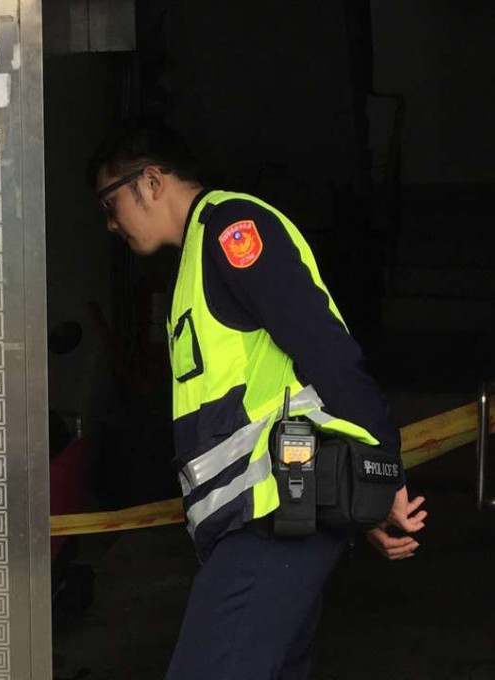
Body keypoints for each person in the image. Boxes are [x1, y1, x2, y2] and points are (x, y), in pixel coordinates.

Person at [87, 122, 428, 679]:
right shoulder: (197, 258)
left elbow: (325, 350)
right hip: (276, 515)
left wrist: (380, 469)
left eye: (110, 202)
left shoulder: (231, 229)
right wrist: (350, 496)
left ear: (150, 181)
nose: (110, 222)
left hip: (272, 520)